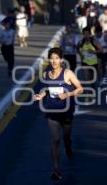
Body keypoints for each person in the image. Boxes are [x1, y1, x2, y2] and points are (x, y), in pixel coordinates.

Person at [34, 47, 83, 181]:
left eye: (57, 58)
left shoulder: (68, 73)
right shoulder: (46, 74)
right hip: (52, 112)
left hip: (66, 111)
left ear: (61, 60)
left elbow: (80, 89)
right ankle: (56, 168)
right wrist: (41, 95)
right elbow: (48, 89)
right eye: (52, 58)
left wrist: (68, 93)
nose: (54, 61)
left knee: (66, 138)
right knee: (55, 140)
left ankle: (68, 146)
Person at [77, 27, 102, 98]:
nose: (86, 35)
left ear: (90, 34)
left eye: (87, 33)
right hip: (85, 62)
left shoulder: (94, 41)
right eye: (84, 34)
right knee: (86, 78)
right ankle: (88, 94)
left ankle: (92, 89)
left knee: (92, 79)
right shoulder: (81, 42)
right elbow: (77, 49)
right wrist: (80, 54)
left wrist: (94, 52)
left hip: (94, 62)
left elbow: (101, 50)